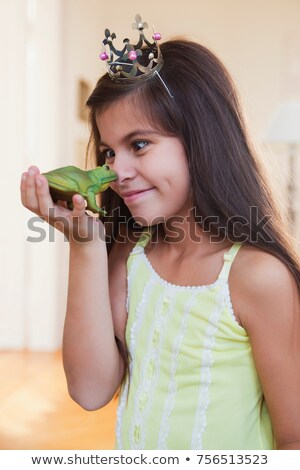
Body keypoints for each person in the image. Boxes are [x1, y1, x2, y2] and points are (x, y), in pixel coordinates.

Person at [20, 16, 300, 450]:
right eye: (110, 151)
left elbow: (294, 435)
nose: (118, 171)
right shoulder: (128, 258)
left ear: (202, 138)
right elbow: (90, 391)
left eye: (140, 144)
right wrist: (85, 245)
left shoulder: (257, 278)